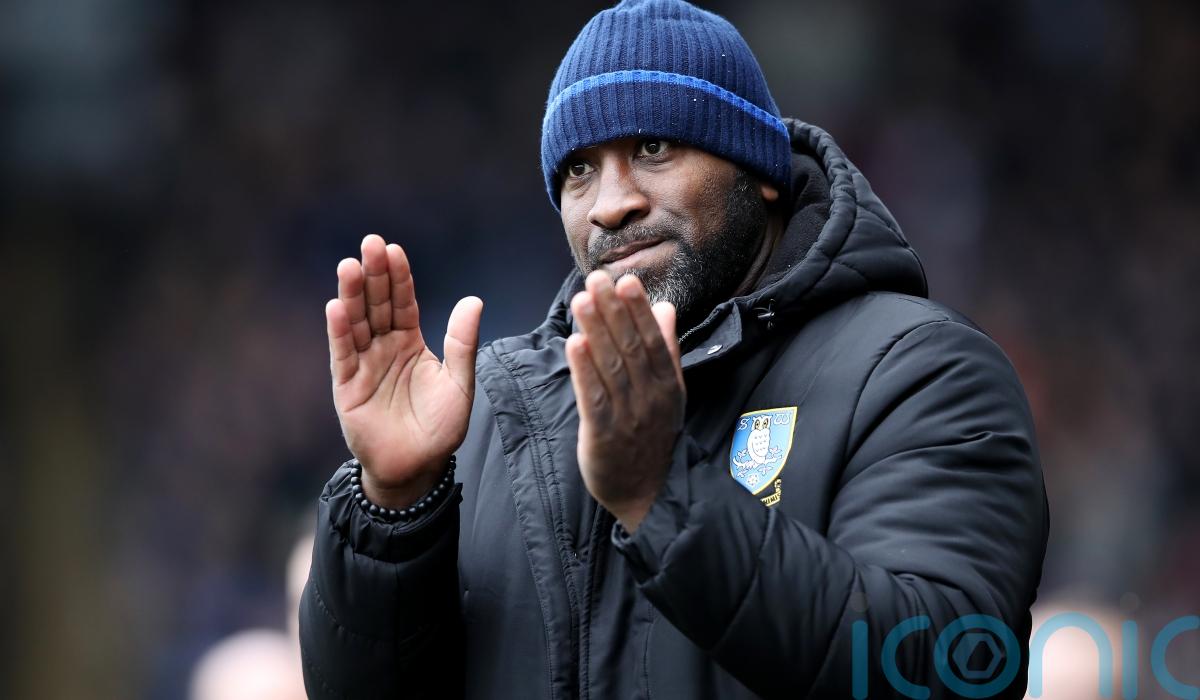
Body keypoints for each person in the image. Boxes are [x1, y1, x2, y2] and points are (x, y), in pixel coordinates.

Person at [299, 1, 1049, 697]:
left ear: (759, 171)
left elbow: (951, 669)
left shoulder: (922, 373)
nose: (610, 204)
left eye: (652, 148)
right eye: (579, 170)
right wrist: (393, 507)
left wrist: (661, 497)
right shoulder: (489, 415)